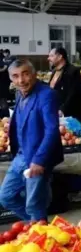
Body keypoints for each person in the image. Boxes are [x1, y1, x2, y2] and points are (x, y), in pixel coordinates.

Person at [0, 60, 63, 221]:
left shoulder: (46, 95)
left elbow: (52, 130)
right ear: (11, 79)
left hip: (37, 156)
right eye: (15, 76)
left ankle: (40, 235)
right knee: (6, 197)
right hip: (21, 155)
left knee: (34, 204)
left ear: (34, 74)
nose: (21, 80)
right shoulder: (19, 93)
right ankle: (37, 226)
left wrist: (39, 161)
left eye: (25, 74)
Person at [48, 48, 81, 120]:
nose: (48, 58)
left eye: (51, 56)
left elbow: (73, 93)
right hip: (54, 110)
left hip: (69, 114)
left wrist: (62, 109)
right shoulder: (55, 71)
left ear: (60, 57)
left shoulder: (73, 71)